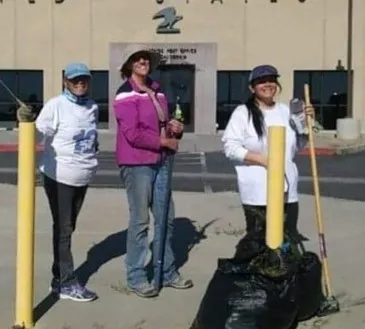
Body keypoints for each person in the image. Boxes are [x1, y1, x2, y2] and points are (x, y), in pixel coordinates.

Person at [113, 45, 193, 298]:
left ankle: (166, 271)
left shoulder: (157, 91)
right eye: (137, 59)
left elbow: (162, 126)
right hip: (137, 164)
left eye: (146, 59)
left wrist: (174, 129)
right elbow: (132, 133)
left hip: (161, 161)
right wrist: (162, 142)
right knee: (140, 221)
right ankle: (136, 276)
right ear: (129, 65)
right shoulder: (125, 94)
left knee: (166, 218)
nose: (143, 62)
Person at [221, 64, 314, 240]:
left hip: (287, 190)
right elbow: (231, 148)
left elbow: (296, 146)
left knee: (287, 239)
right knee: (260, 242)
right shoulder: (243, 113)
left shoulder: (286, 111)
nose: (268, 84)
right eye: (261, 81)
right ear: (252, 87)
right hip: (257, 192)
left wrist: (307, 124)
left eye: (272, 80)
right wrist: (263, 160)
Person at [35, 63, 99, 302]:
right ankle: (67, 283)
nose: (80, 83)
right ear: (65, 82)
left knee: (68, 227)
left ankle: (58, 278)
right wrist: (28, 122)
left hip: (82, 176)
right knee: (63, 230)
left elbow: (92, 139)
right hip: (59, 176)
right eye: (75, 80)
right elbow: (38, 133)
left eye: (84, 79)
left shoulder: (92, 106)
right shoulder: (56, 105)